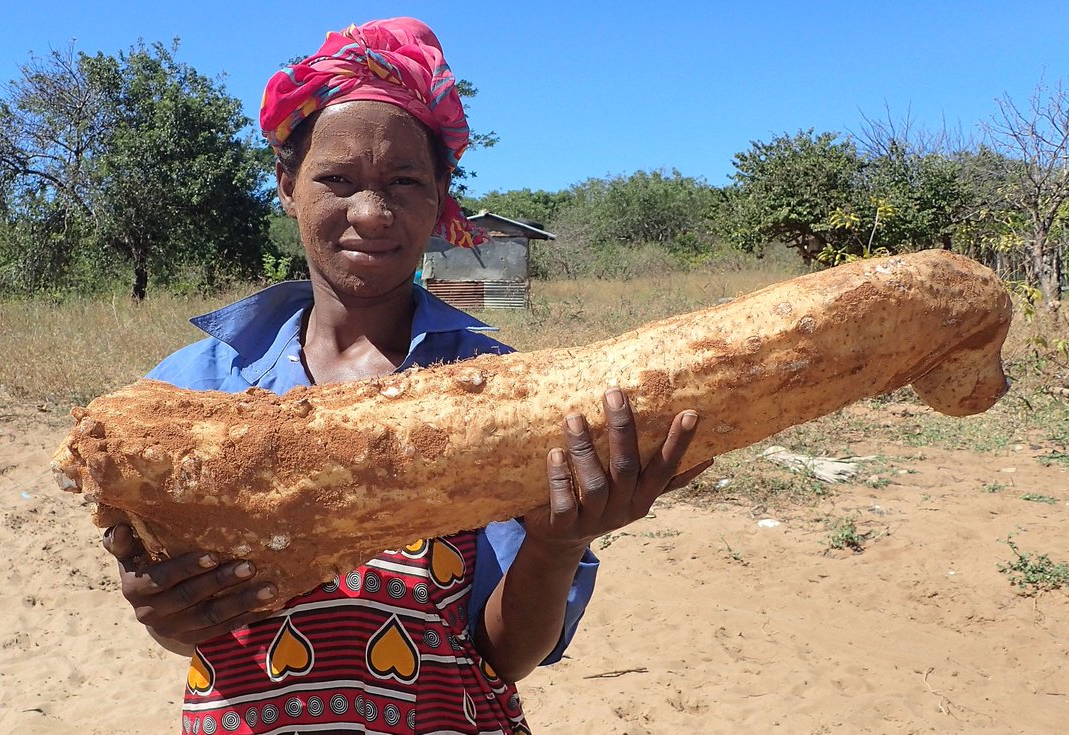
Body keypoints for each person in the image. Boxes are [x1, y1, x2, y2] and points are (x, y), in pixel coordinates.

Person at [102, 18, 711, 735]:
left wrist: (555, 543)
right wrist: (162, 607)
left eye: (403, 182)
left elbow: (504, 653)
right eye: (336, 179)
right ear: (286, 184)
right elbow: (188, 633)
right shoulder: (191, 393)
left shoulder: (501, 390)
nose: (371, 213)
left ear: (440, 193)